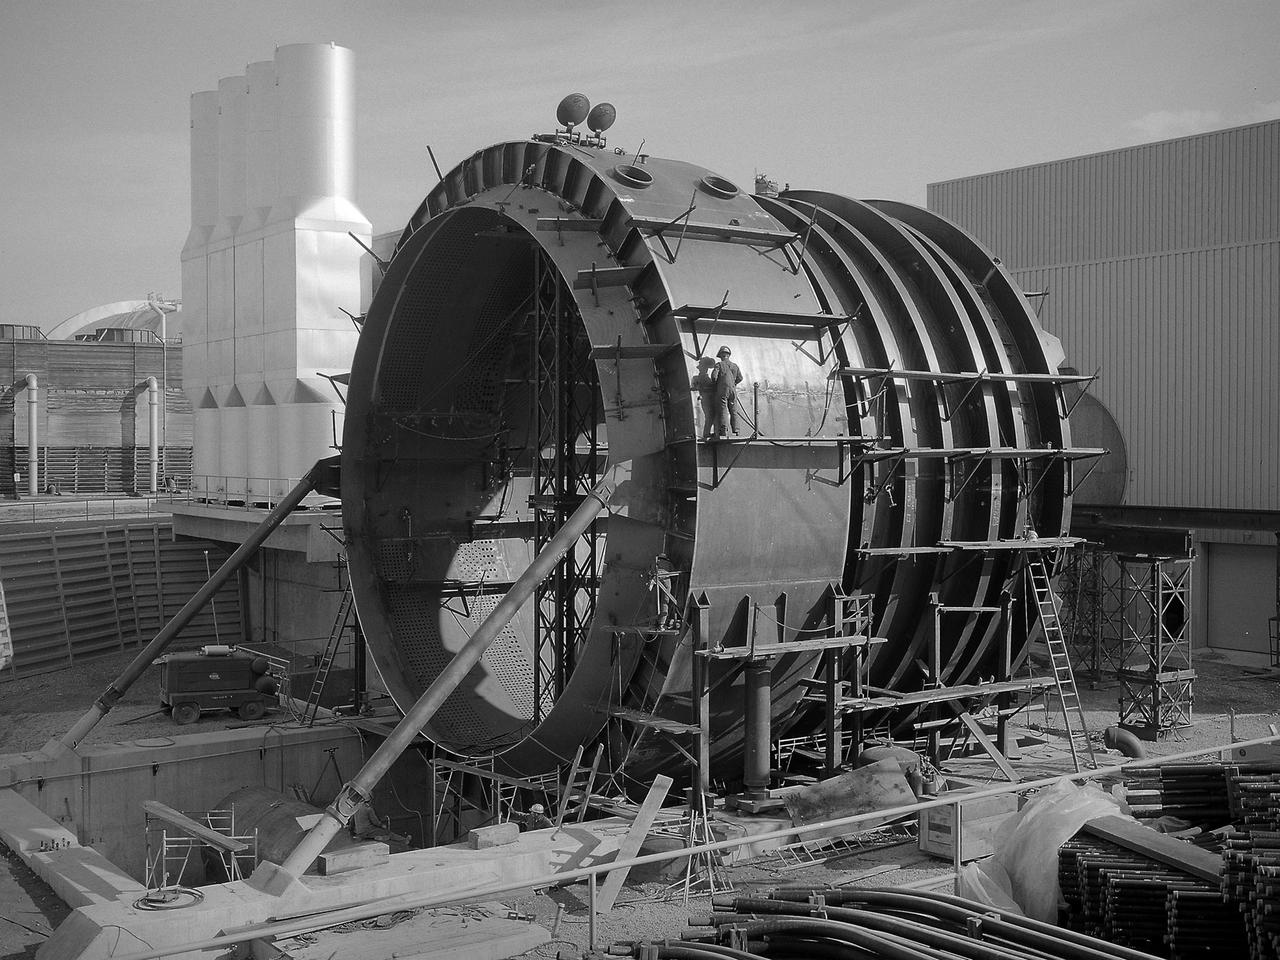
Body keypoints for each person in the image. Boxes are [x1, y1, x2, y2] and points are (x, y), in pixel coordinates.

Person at [710, 346, 743, 438]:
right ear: (728, 355)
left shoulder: (719, 365)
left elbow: (714, 377)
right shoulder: (735, 366)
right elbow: (740, 378)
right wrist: (733, 383)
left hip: (723, 390)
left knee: (723, 409)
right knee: (733, 410)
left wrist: (717, 384)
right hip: (733, 390)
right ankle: (736, 430)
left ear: (721, 355)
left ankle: (724, 430)